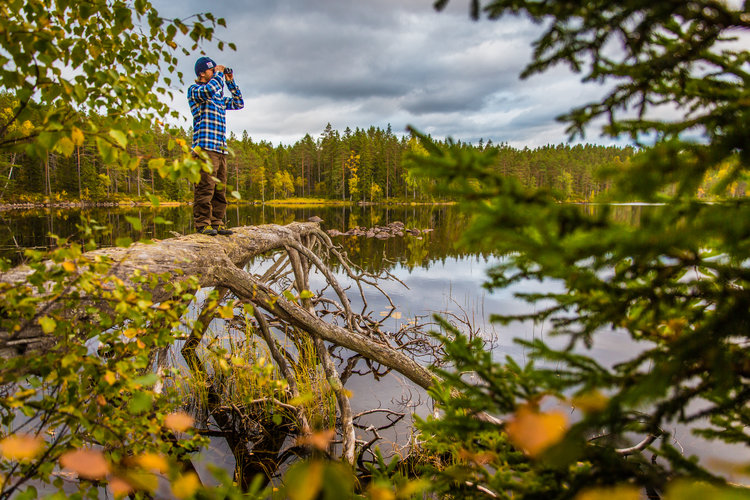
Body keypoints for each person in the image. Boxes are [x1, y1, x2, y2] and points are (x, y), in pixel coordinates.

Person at [188, 56, 244, 236]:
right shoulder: (196, 91)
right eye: (212, 71)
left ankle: (217, 222)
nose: (215, 73)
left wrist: (230, 82)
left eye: (215, 70)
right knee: (205, 188)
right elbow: (210, 90)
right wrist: (219, 74)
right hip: (204, 148)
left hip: (220, 149)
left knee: (219, 190)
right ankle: (202, 224)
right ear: (202, 73)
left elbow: (238, 103)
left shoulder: (218, 98)